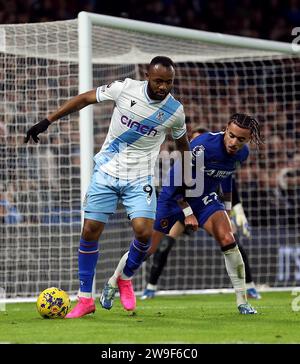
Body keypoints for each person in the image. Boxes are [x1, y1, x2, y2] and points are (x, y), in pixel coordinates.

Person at [24, 56, 191, 318]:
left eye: (168, 83)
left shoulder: (175, 111)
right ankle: (85, 299)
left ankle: (124, 277)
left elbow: (183, 147)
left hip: (140, 178)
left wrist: (188, 183)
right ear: (147, 76)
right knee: (90, 231)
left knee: (145, 233)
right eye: (159, 81)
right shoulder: (125, 88)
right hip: (106, 172)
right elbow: (84, 99)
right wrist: (47, 121)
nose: (163, 87)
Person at [111, 114, 262, 314]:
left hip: (203, 198)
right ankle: (114, 281)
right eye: (232, 136)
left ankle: (243, 301)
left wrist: (227, 209)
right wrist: (188, 213)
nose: (234, 142)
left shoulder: (242, 154)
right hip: (174, 196)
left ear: (248, 139)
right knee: (148, 249)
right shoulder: (203, 145)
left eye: (241, 139)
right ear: (226, 129)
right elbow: (182, 179)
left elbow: (226, 177)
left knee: (228, 238)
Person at [142, 126, 261, 301]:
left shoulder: (225, 157)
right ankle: (150, 287)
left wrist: (234, 210)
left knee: (230, 240)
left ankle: (249, 287)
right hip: (180, 204)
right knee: (161, 245)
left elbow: (228, 181)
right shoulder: (188, 159)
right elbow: (177, 186)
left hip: (204, 204)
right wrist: (187, 212)